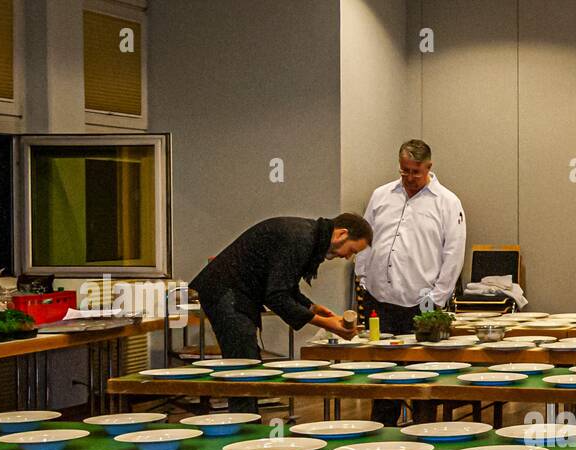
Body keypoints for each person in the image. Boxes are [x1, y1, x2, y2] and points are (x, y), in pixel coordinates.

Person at [189, 214, 371, 414]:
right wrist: (325, 324)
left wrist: (311, 307)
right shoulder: (301, 239)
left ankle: (246, 421)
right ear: (341, 234)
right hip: (226, 292)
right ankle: (244, 428)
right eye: (351, 251)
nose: (347, 257)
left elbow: (283, 284)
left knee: (247, 363)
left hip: (235, 292)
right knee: (242, 366)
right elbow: (276, 295)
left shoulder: (306, 235)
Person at [354, 140, 466, 424]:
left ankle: (423, 433)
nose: (409, 178)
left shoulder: (448, 202)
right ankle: (380, 434)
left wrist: (436, 300)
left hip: (423, 304)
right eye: (404, 171)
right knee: (382, 376)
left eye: (415, 172)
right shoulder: (381, 195)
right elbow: (365, 238)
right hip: (380, 299)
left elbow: (453, 254)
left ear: (429, 167)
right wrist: (362, 278)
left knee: (421, 377)